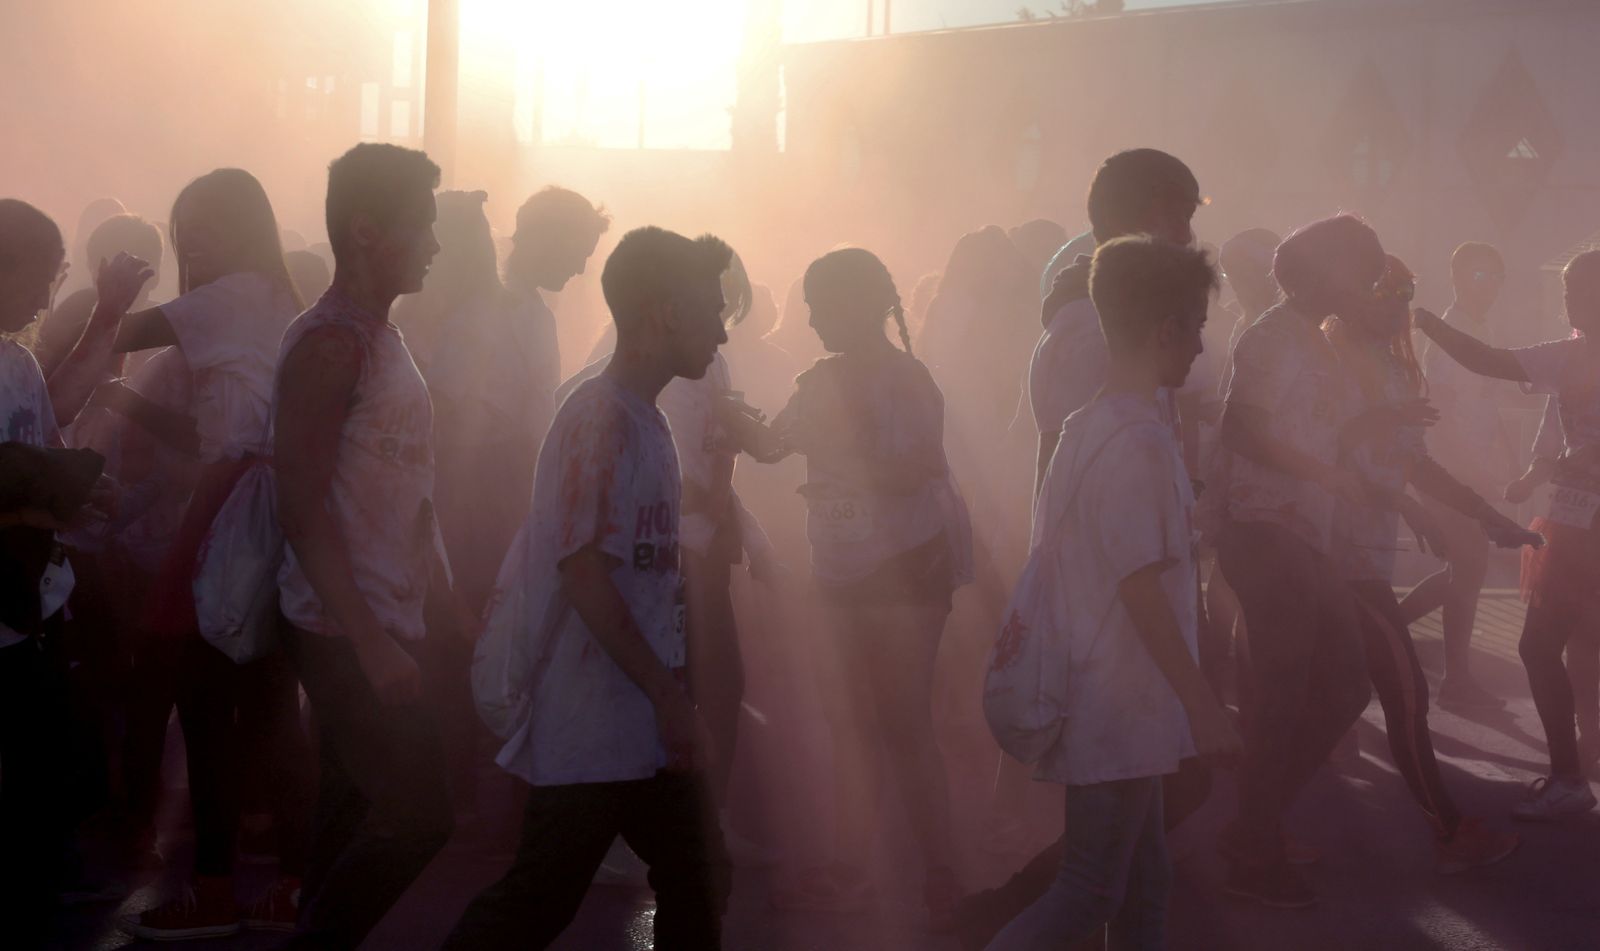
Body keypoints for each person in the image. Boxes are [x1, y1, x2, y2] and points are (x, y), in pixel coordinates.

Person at [443, 226, 733, 950]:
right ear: (663, 310)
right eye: (711, 307)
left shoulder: (651, 420)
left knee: (699, 870)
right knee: (539, 899)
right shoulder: (597, 417)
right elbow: (584, 572)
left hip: (636, 721)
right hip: (592, 723)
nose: (722, 329)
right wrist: (670, 696)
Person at [57, 168, 311, 941]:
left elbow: (116, 340)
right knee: (270, 702)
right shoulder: (275, 295)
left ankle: (215, 887)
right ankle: (290, 883)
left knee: (202, 699)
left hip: (233, 503)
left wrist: (103, 299)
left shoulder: (227, 295)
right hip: (275, 504)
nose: (187, 241)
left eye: (195, 225)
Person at [986, 235, 1241, 951]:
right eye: (1196, 325)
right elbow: (1140, 588)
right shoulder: (1140, 441)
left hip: (1117, 702)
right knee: (1091, 888)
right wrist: (1203, 705)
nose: (1199, 345)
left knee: (1143, 882)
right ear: (1167, 330)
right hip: (1120, 705)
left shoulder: (1086, 426)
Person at [725, 246, 973, 924]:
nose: (809, 320)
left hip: (905, 570)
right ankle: (850, 866)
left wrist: (835, 457)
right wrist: (733, 419)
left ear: (859, 305)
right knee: (848, 723)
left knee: (903, 722)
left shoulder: (907, 379)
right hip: (840, 568)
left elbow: (920, 464)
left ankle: (940, 872)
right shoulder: (817, 380)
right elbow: (776, 445)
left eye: (819, 306)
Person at [272, 142, 454, 949]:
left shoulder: (383, 337)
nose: (437, 246)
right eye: (425, 226)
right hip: (343, 628)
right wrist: (372, 640)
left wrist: (442, 602)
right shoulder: (330, 344)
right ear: (366, 230)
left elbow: (405, 491)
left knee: (348, 814)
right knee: (419, 817)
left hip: (382, 620)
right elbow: (301, 510)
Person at [1323, 254, 1529, 873]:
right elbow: (1314, 450)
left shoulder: (1393, 363)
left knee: (1324, 696)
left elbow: (1412, 455)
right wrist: (1411, 502)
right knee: (1404, 693)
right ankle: (1448, 827)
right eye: (1386, 293)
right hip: (1336, 546)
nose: (1399, 304)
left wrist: (1479, 511)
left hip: (1373, 542)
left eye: (1406, 292)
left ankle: (1253, 829)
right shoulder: (1326, 361)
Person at [1212, 214, 1388, 907]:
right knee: (1295, 694)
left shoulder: (1310, 338)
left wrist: (1357, 441)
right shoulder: (1272, 336)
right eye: (1364, 274)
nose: (1369, 288)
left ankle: (1252, 827)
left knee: (1342, 685)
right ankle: (1252, 847)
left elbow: (1301, 424)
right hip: (1264, 530)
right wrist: (1323, 473)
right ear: (1331, 272)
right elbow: (1241, 426)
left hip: (1300, 534)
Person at [1411, 248, 1600, 820]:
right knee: (1583, 647)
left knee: (1539, 646)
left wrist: (1424, 321)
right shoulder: (1570, 354)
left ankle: (1570, 778)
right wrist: (1546, 469)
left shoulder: (1575, 355)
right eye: (1566, 289)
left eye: (1577, 289)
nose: (1567, 300)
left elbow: (1485, 360)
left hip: (1583, 524)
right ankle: (1580, 767)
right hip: (1572, 516)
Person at [0, 197, 129, 944]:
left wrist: (79, 493)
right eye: (42, 277)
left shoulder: (15, 362)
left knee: (60, 766)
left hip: (34, 611)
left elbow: (51, 436)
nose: (46, 296)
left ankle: (40, 889)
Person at [1398, 242, 1516, 709]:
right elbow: (1442, 408)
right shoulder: (1448, 335)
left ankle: (1442, 668)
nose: (1486, 286)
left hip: (1473, 466)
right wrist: (1465, 472)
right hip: (1450, 468)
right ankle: (1454, 677)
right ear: (1457, 278)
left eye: (1494, 277)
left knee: (1466, 568)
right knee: (1468, 566)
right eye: (1478, 276)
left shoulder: (1482, 327)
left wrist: (1506, 455)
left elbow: (1485, 403)